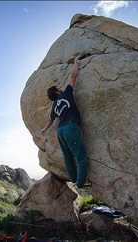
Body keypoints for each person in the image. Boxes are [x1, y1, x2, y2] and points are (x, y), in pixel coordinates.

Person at [39, 55, 92, 188]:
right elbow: (73, 76)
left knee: (68, 156)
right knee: (80, 156)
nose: (60, 89)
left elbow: (50, 119)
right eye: (58, 89)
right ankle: (80, 182)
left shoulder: (54, 106)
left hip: (60, 131)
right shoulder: (66, 94)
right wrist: (75, 63)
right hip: (70, 127)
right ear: (57, 92)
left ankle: (74, 179)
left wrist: (44, 129)